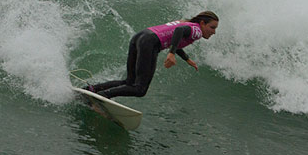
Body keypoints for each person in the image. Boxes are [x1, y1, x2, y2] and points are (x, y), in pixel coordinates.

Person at [87, 11, 219, 99]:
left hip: (140, 37)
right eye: (212, 27)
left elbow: (176, 37)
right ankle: (102, 96)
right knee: (140, 89)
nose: (213, 32)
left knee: (129, 81)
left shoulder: (186, 23)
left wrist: (186, 59)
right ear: (202, 23)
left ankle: (92, 89)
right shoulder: (197, 30)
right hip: (151, 43)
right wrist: (171, 53)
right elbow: (179, 31)